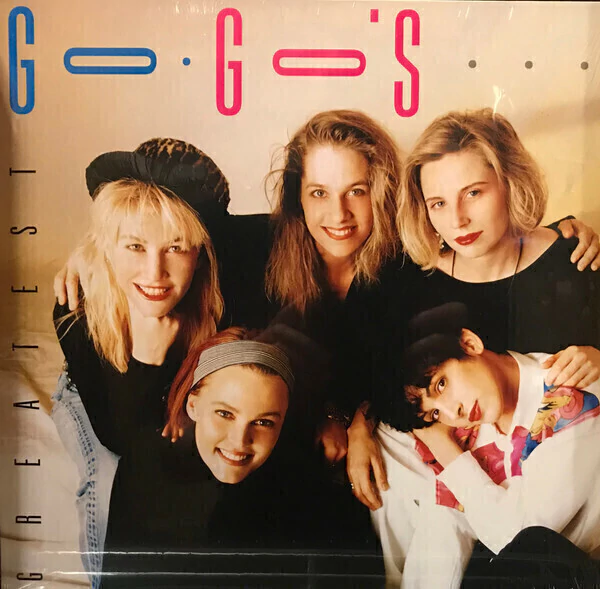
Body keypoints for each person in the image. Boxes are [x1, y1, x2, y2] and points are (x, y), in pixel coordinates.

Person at [347, 107, 600, 511]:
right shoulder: (413, 280)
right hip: (459, 476)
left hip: (555, 479)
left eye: (473, 193)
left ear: (510, 181)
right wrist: (358, 428)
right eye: (438, 203)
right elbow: (385, 379)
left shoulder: (575, 258)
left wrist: (598, 358)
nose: (458, 220)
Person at [52, 138, 227, 587]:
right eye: (134, 247)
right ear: (107, 247)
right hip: (95, 393)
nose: (154, 273)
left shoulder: (218, 283)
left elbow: (269, 225)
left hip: (172, 393)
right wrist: (148, 356)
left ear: (200, 252)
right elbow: (121, 440)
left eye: (176, 248)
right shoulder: (76, 306)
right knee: (110, 473)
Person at [371, 302, 600, 588]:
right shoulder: (474, 416)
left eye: (441, 384)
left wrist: (444, 447)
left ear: (470, 344)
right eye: (435, 414)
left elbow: (518, 540)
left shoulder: (570, 399)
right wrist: (358, 428)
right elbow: (446, 523)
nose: (453, 413)